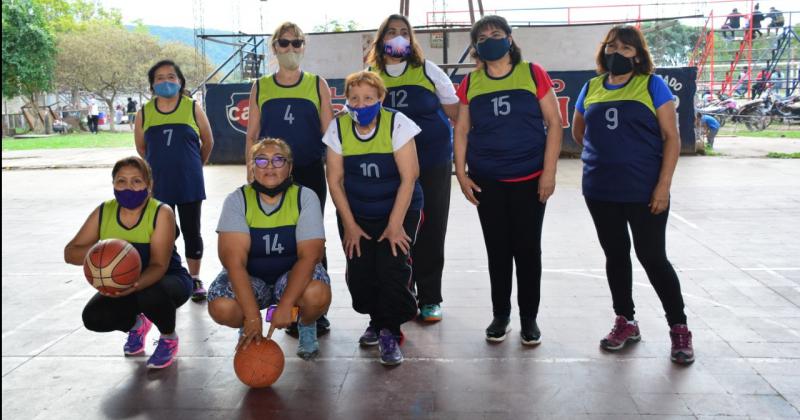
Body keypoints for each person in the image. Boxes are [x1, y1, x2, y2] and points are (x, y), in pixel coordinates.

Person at [571, 25, 694, 365]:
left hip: (644, 190)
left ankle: (679, 327)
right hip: (600, 189)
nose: (617, 53)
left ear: (638, 55)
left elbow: (672, 138)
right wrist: (606, 155)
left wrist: (663, 185)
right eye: (611, 46)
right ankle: (625, 320)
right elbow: (579, 132)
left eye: (625, 48)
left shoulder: (652, 85)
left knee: (652, 257)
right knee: (616, 255)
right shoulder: (591, 86)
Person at [454, 15, 562, 345]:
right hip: (488, 180)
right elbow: (460, 130)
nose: (490, 40)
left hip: (530, 179)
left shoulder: (533, 73)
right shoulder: (471, 83)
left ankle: (529, 318)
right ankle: (501, 315)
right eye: (482, 37)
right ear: (475, 47)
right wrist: (461, 174)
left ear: (510, 39)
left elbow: (555, 124)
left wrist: (549, 173)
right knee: (497, 250)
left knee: (528, 251)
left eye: (496, 34)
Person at [324, 71, 423, 365]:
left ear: (381, 98)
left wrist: (395, 225)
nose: (361, 103)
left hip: (399, 209)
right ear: (347, 101)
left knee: (391, 269)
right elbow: (335, 181)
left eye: (368, 98)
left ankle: (390, 330)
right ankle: (377, 320)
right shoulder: (338, 127)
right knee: (361, 273)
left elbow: (409, 177)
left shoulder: (398, 124)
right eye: (354, 98)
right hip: (357, 213)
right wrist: (350, 225)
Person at [367, 15, 459, 322]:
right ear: (381, 40)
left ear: (412, 39)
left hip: (432, 162)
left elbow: (455, 113)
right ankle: (401, 296)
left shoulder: (427, 71)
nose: (397, 37)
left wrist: (462, 156)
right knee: (397, 228)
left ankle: (431, 297)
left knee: (432, 228)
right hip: (390, 168)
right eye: (391, 32)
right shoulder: (371, 75)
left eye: (403, 33)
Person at [246, 22, 334, 337]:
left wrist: (336, 172)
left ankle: (315, 310)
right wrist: (251, 172)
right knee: (280, 237)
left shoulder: (316, 84)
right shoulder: (261, 86)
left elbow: (330, 134)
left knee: (312, 239)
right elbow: (252, 135)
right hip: (271, 175)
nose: (291, 49)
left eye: (297, 42)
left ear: (303, 46)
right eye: (284, 43)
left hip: (309, 171)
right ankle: (287, 304)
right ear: (274, 47)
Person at [207, 138, 332, 360]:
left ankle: (306, 323)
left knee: (317, 294)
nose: (270, 167)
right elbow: (234, 263)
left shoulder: (305, 197)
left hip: (291, 277)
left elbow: (310, 257)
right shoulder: (237, 200)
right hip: (253, 280)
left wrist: (285, 305)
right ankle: (246, 326)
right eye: (262, 161)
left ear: (290, 167)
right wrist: (252, 316)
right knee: (220, 305)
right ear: (252, 167)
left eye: (278, 160)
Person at [64, 156, 192, 369]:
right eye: (121, 181)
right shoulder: (104, 211)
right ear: (113, 184)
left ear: (149, 186)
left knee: (148, 293)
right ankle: (137, 325)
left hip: (169, 280)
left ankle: (168, 338)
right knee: (94, 318)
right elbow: (71, 252)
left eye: (136, 181)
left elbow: (159, 265)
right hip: (124, 284)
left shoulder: (161, 212)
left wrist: (132, 285)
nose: (128, 187)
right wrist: (103, 252)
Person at [134, 60, 214, 302]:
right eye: (159, 78)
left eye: (171, 77)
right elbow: (141, 148)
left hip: (189, 181)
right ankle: (169, 271)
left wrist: (194, 165)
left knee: (192, 230)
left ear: (180, 82)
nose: (165, 81)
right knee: (164, 231)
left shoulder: (192, 108)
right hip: (158, 184)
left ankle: (195, 277)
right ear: (152, 85)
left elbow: (208, 142)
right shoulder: (144, 113)